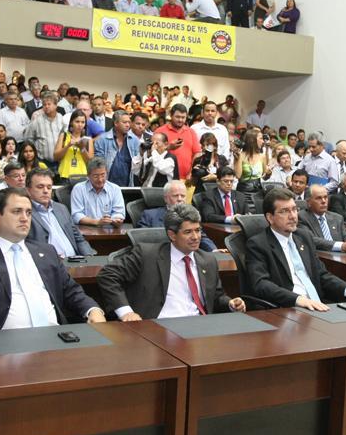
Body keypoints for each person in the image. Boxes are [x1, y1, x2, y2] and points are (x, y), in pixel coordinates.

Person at [0, 188, 105, 332]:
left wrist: (92, 310)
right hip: (1, 342)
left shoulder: (46, 251)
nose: (24, 218)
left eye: (28, 212)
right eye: (17, 211)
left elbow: (71, 291)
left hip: (55, 338)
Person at [98, 203, 244, 320]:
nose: (196, 237)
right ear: (172, 235)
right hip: (159, 327)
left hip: (200, 327)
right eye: (188, 232)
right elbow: (107, 275)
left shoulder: (208, 259)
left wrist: (230, 303)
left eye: (198, 230)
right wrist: (126, 312)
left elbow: (215, 296)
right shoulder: (146, 255)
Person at [245, 188, 346, 310]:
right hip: (287, 309)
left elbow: (321, 274)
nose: (292, 216)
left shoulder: (304, 236)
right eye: (284, 211)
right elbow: (261, 284)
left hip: (318, 306)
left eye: (294, 209)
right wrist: (297, 299)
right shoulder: (258, 244)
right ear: (270, 217)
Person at [25, 169, 95, 256]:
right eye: (40, 187)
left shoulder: (61, 208)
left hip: (76, 262)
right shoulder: (25, 213)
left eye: (49, 187)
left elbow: (78, 238)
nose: (46, 191)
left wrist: (90, 258)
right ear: (28, 190)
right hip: (50, 265)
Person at [299, 185, 346, 253]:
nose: (323, 201)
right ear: (308, 202)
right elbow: (311, 239)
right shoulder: (302, 217)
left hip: (341, 258)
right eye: (318, 198)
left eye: (325, 197)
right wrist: (341, 246)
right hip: (320, 257)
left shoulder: (337, 218)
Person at [70, 157, 125, 226]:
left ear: (107, 174)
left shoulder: (115, 189)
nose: (100, 180)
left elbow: (119, 212)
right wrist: (97, 222)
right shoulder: (78, 189)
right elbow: (76, 215)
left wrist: (115, 220)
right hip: (85, 230)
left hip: (109, 229)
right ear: (88, 176)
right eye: (96, 176)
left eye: (103, 175)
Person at [94, 110, 140, 188]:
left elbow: (137, 165)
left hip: (127, 186)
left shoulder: (134, 140)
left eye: (129, 122)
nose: (128, 125)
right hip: (107, 185)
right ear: (116, 123)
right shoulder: (103, 139)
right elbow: (98, 164)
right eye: (124, 122)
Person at [154, 104, 199, 180]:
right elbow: (153, 153)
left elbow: (197, 153)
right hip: (164, 178)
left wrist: (192, 172)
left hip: (187, 178)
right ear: (171, 116)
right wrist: (169, 147)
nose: (180, 120)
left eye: (183, 117)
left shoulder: (191, 132)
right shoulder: (160, 131)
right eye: (177, 117)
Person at [55, 110, 94, 181]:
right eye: (77, 121)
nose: (80, 125)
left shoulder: (88, 139)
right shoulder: (63, 136)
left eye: (83, 122)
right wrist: (68, 146)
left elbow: (90, 161)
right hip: (64, 175)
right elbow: (56, 157)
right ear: (71, 122)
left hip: (82, 176)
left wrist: (82, 148)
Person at [232, 128, 269, 194]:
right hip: (243, 191)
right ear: (252, 140)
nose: (263, 141)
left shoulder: (262, 156)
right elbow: (238, 175)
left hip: (258, 191)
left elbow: (265, 177)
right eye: (261, 138)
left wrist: (269, 173)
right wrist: (237, 158)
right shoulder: (240, 155)